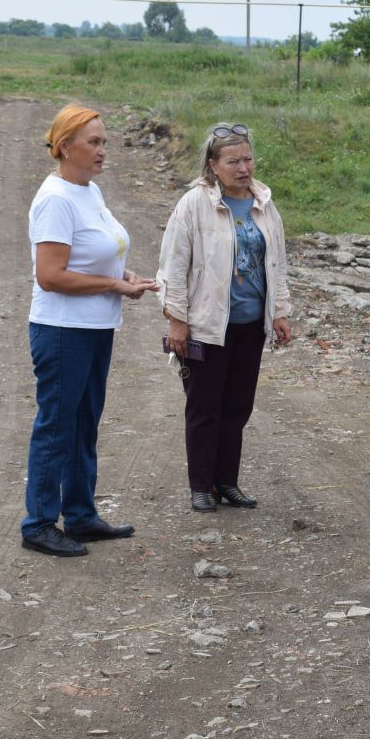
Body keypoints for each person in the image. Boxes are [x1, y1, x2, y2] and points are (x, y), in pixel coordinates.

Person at [22, 105, 159, 557]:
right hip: (63, 330)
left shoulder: (89, 191)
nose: (104, 150)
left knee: (84, 425)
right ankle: (39, 523)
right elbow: (51, 275)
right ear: (65, 147)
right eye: (94, 142)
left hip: (97, 326)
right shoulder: (56, 199)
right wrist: (114, 284)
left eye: (104, 141)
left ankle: (80, 516)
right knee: (57, 426)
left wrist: (126, 276)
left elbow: (97, 254)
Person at [157, 123, 292, 513]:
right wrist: (176, 319)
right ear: (213, 165)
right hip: (207, 324)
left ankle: (227, 482)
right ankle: (201, 486)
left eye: (247, 158)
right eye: (233, 161)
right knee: (204, 407)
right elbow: (174, 265)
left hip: (250, 324)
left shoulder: (264, 203)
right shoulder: (194, 204)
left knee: (237, 407)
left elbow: (277, 263)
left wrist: (279, 312)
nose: (243, 167)